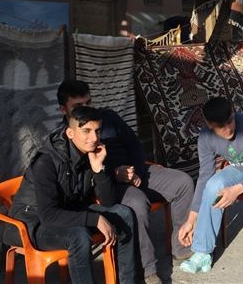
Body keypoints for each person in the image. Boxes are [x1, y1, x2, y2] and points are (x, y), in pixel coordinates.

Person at [57, 80, 194, 284]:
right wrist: (114, 174)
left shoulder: (108, 118)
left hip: (135, 173)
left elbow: (135, 145)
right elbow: (84, 173)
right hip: (108, 184)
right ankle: (148, 270)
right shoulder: (69, 136)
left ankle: (181, 247)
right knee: (137, 203)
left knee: (182, 182)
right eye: (78, 107)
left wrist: (136, 173)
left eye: (88, 103)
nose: (85, 110)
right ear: (63, 110)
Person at [5, 106, 136, 283]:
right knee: (79, 236)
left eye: (97, 131)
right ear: (70, 133)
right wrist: (95, 219)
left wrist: (98, 169)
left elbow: (108, 202)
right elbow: (49, 216)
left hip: (68, 212)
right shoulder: (47, 162)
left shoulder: (93, 153)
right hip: (31, 223)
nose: (94, 138)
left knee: (124, 214)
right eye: (86, 131)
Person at [177, 97, 243, 283]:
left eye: (230, 121)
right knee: (212, 184)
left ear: (233, 114)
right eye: (221, 126)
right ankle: (203, 253)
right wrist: (191, 219)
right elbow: (204, 175)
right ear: (209, 125)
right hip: (239, 169)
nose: (228, 129)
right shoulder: (205, 137)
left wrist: (236, 190)